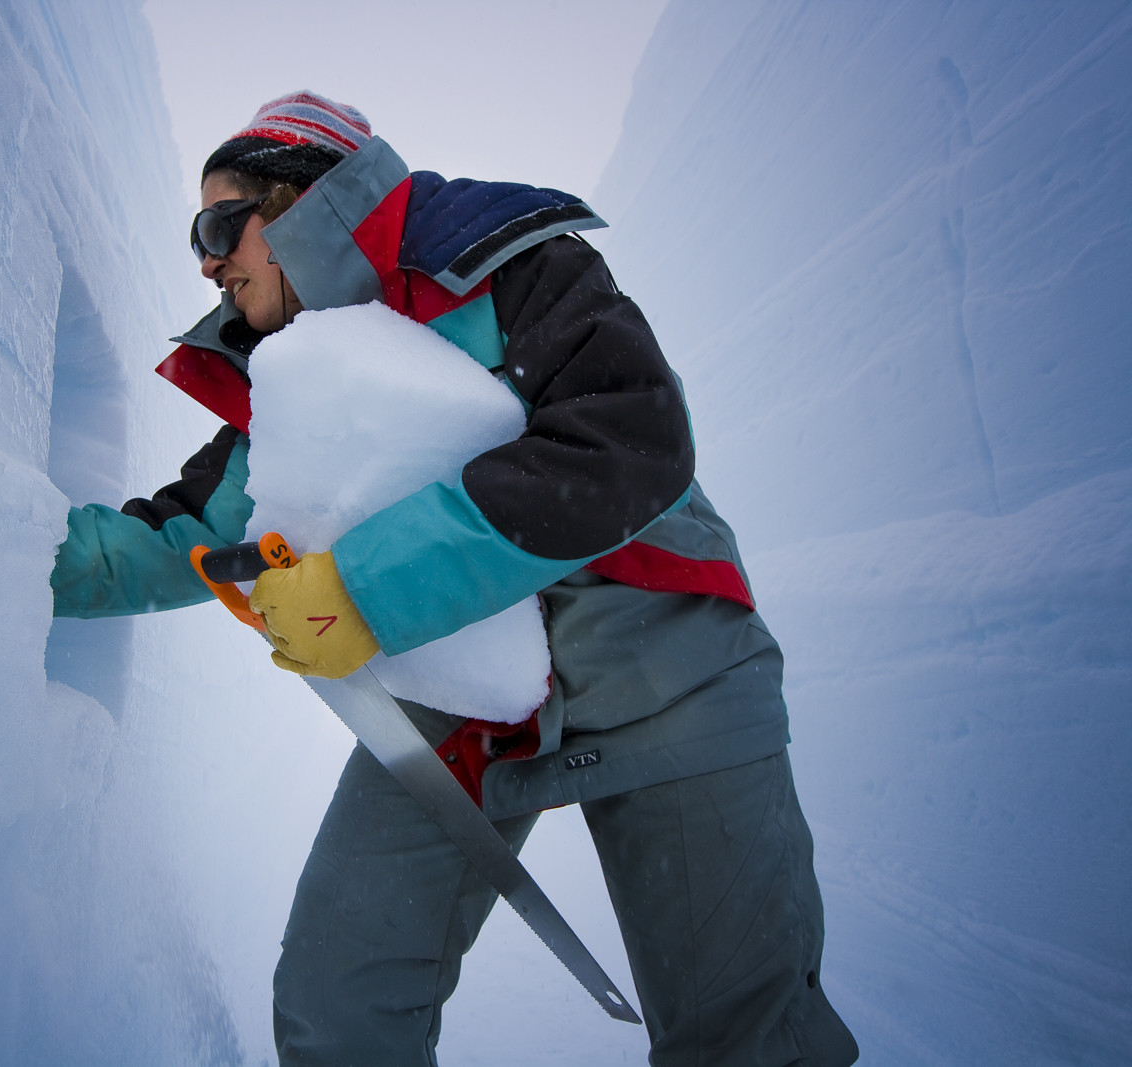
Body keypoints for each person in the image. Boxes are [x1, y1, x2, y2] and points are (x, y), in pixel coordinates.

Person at [51, 91, 858, 1066]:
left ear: (307, 195)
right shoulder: (293, 381)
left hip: (670, 664)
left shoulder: (509, 263)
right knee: (333, 1015)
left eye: (220, 225)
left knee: (748, 1042)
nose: (209, 261)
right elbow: (179, 530)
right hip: (460, 715)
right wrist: (6, 551)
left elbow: (628, 437)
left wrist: (361, 589)